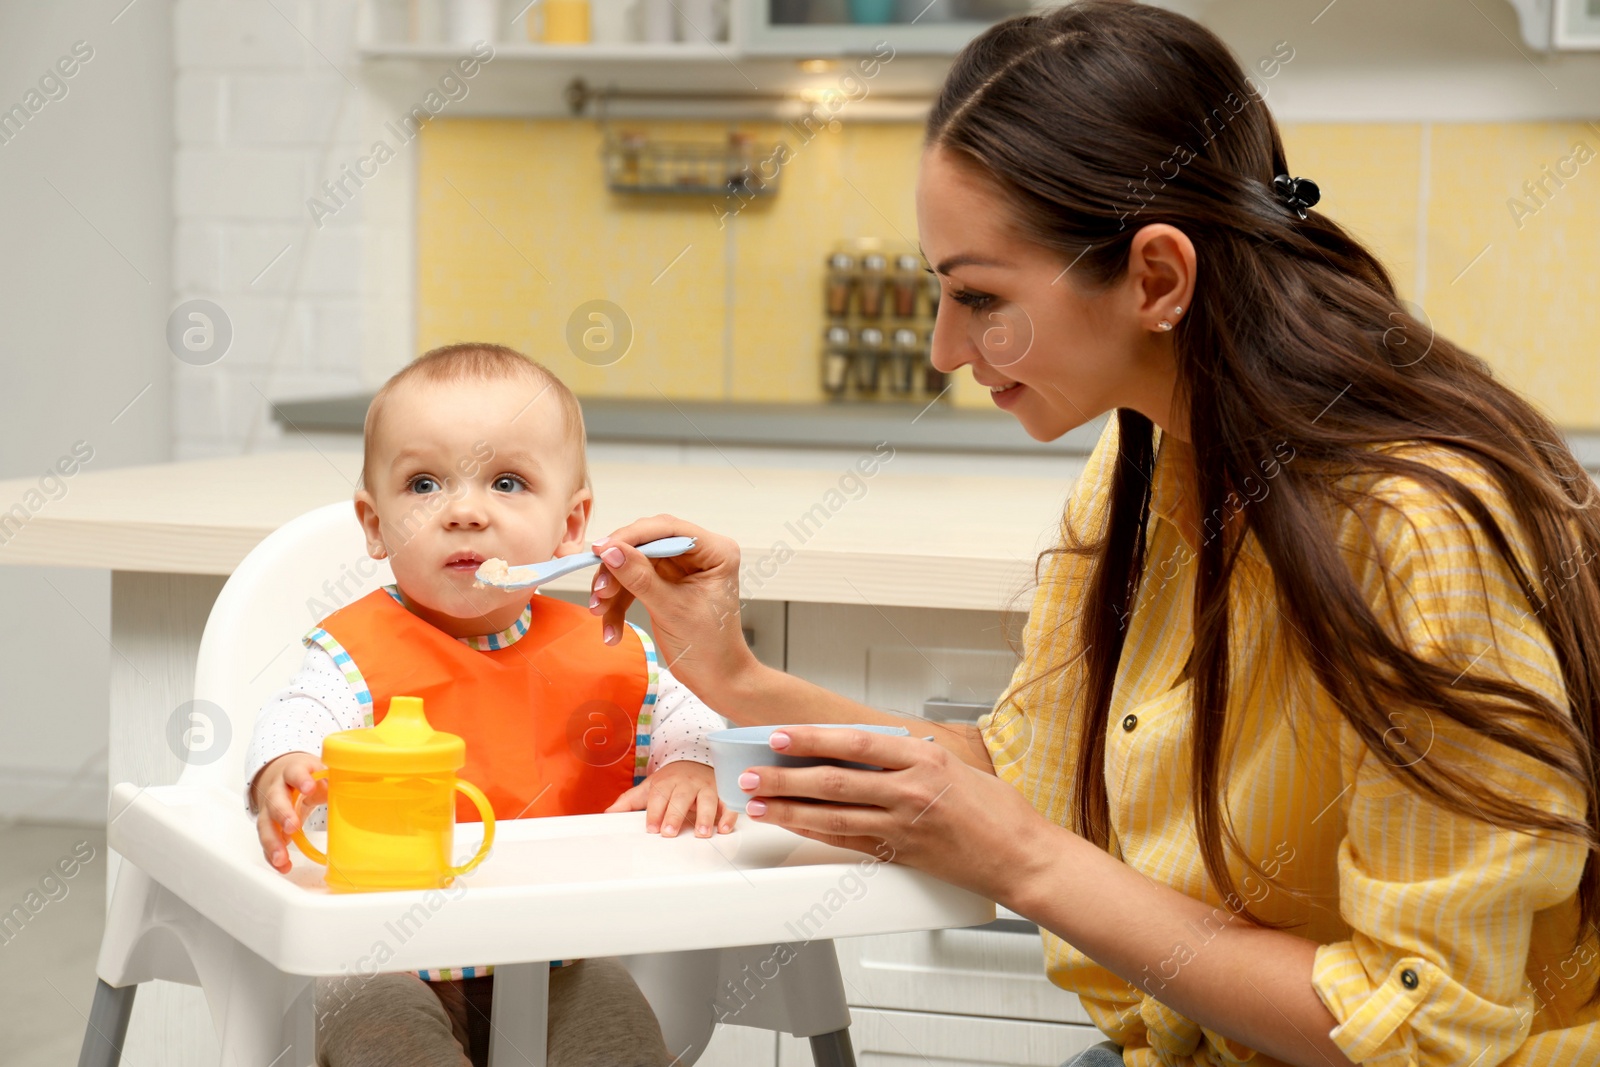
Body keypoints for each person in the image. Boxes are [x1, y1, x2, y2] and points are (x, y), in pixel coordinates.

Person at [581, 4, 1600, 1065]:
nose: (941, 348)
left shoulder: (1417, 532)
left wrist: (1023, 863)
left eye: (978, 294)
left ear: (1156, 278)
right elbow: (1025, 772)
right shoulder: (1144, 458)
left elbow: (1428, 1030)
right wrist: (733, 671)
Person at [245, 343, 734, 1067]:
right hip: (388, 949)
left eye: (506, 481)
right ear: (374, 525)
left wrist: (691, 765)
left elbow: (693, 715)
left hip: (554, 952)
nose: (466, 511)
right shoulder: (351, 654)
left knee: (615, 1015)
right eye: (423, 484)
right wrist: (283, 766)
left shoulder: (613, 650)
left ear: (571, 525)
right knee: (373, 1013)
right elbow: (298, 712)